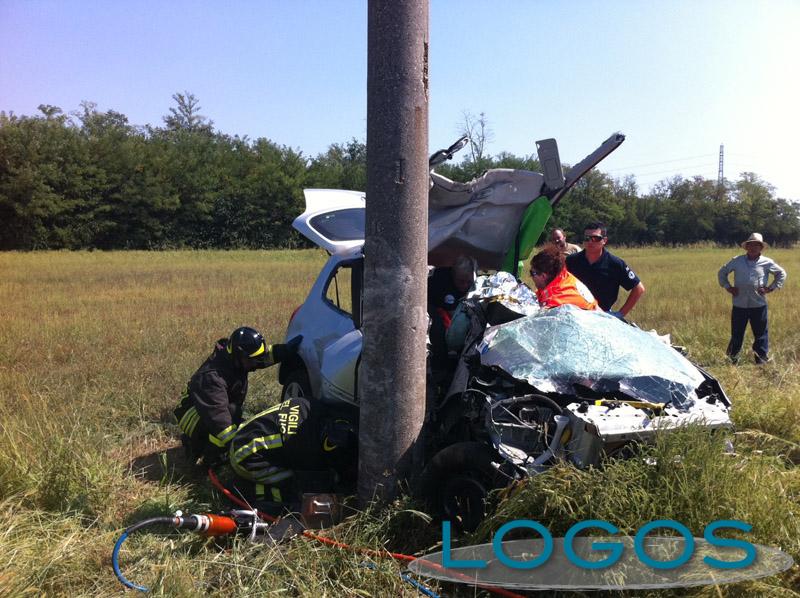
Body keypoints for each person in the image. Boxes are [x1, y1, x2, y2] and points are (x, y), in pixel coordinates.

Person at [174, 326, 302, 465]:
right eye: (253, 359)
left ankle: (210, 446)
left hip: (213, 408)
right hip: (194, 415)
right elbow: (219, 418)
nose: (256, 362)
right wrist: (237, 447)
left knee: (234, 416)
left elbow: (262, 356)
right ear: (239, 356)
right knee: (227, 426)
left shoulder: (236, 359)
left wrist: (285, 350)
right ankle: (208, 457)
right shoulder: (213, 378)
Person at [227, 396, 358, 505]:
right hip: (246, 458)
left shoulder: (313, 406)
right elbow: (315, 482)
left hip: (244, 432)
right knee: (300, 491)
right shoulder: (309, 452)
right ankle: (245, 490)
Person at [717, 233, 786, 364]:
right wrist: (728, 287)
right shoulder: (737, 260)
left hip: (758, 304)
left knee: (761, 334)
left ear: (761, 247)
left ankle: (761, 361)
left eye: (756, 245)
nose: (753, 247)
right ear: (746, 247)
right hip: (739, 304)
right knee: (737, 334)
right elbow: (722, 272)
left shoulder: (767, 262)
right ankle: (732, 360)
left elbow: (781, 273)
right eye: (751, 244)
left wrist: (770, 288)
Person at [566, 222, 645, 317]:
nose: (590, 242)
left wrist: (619, 314)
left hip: (602, 316)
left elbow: (639, 288)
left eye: (595, 238)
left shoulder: (615, 264)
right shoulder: (571, 261)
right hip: (575, 314)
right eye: (586, 238)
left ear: (604, 240)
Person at [427, 255, 477, 383]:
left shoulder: (475, 285)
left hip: (460, 316)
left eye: (468, 282)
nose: (465, 285)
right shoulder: (439, 280)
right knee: (437, 326)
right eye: (461, 281)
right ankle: (440, 369)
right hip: (436, 312)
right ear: (453, 274)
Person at [530, 244, 599, 310]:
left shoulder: (556, 302)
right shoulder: (563, 276)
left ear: (543, 276)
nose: (531, 276)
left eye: (532, 273)